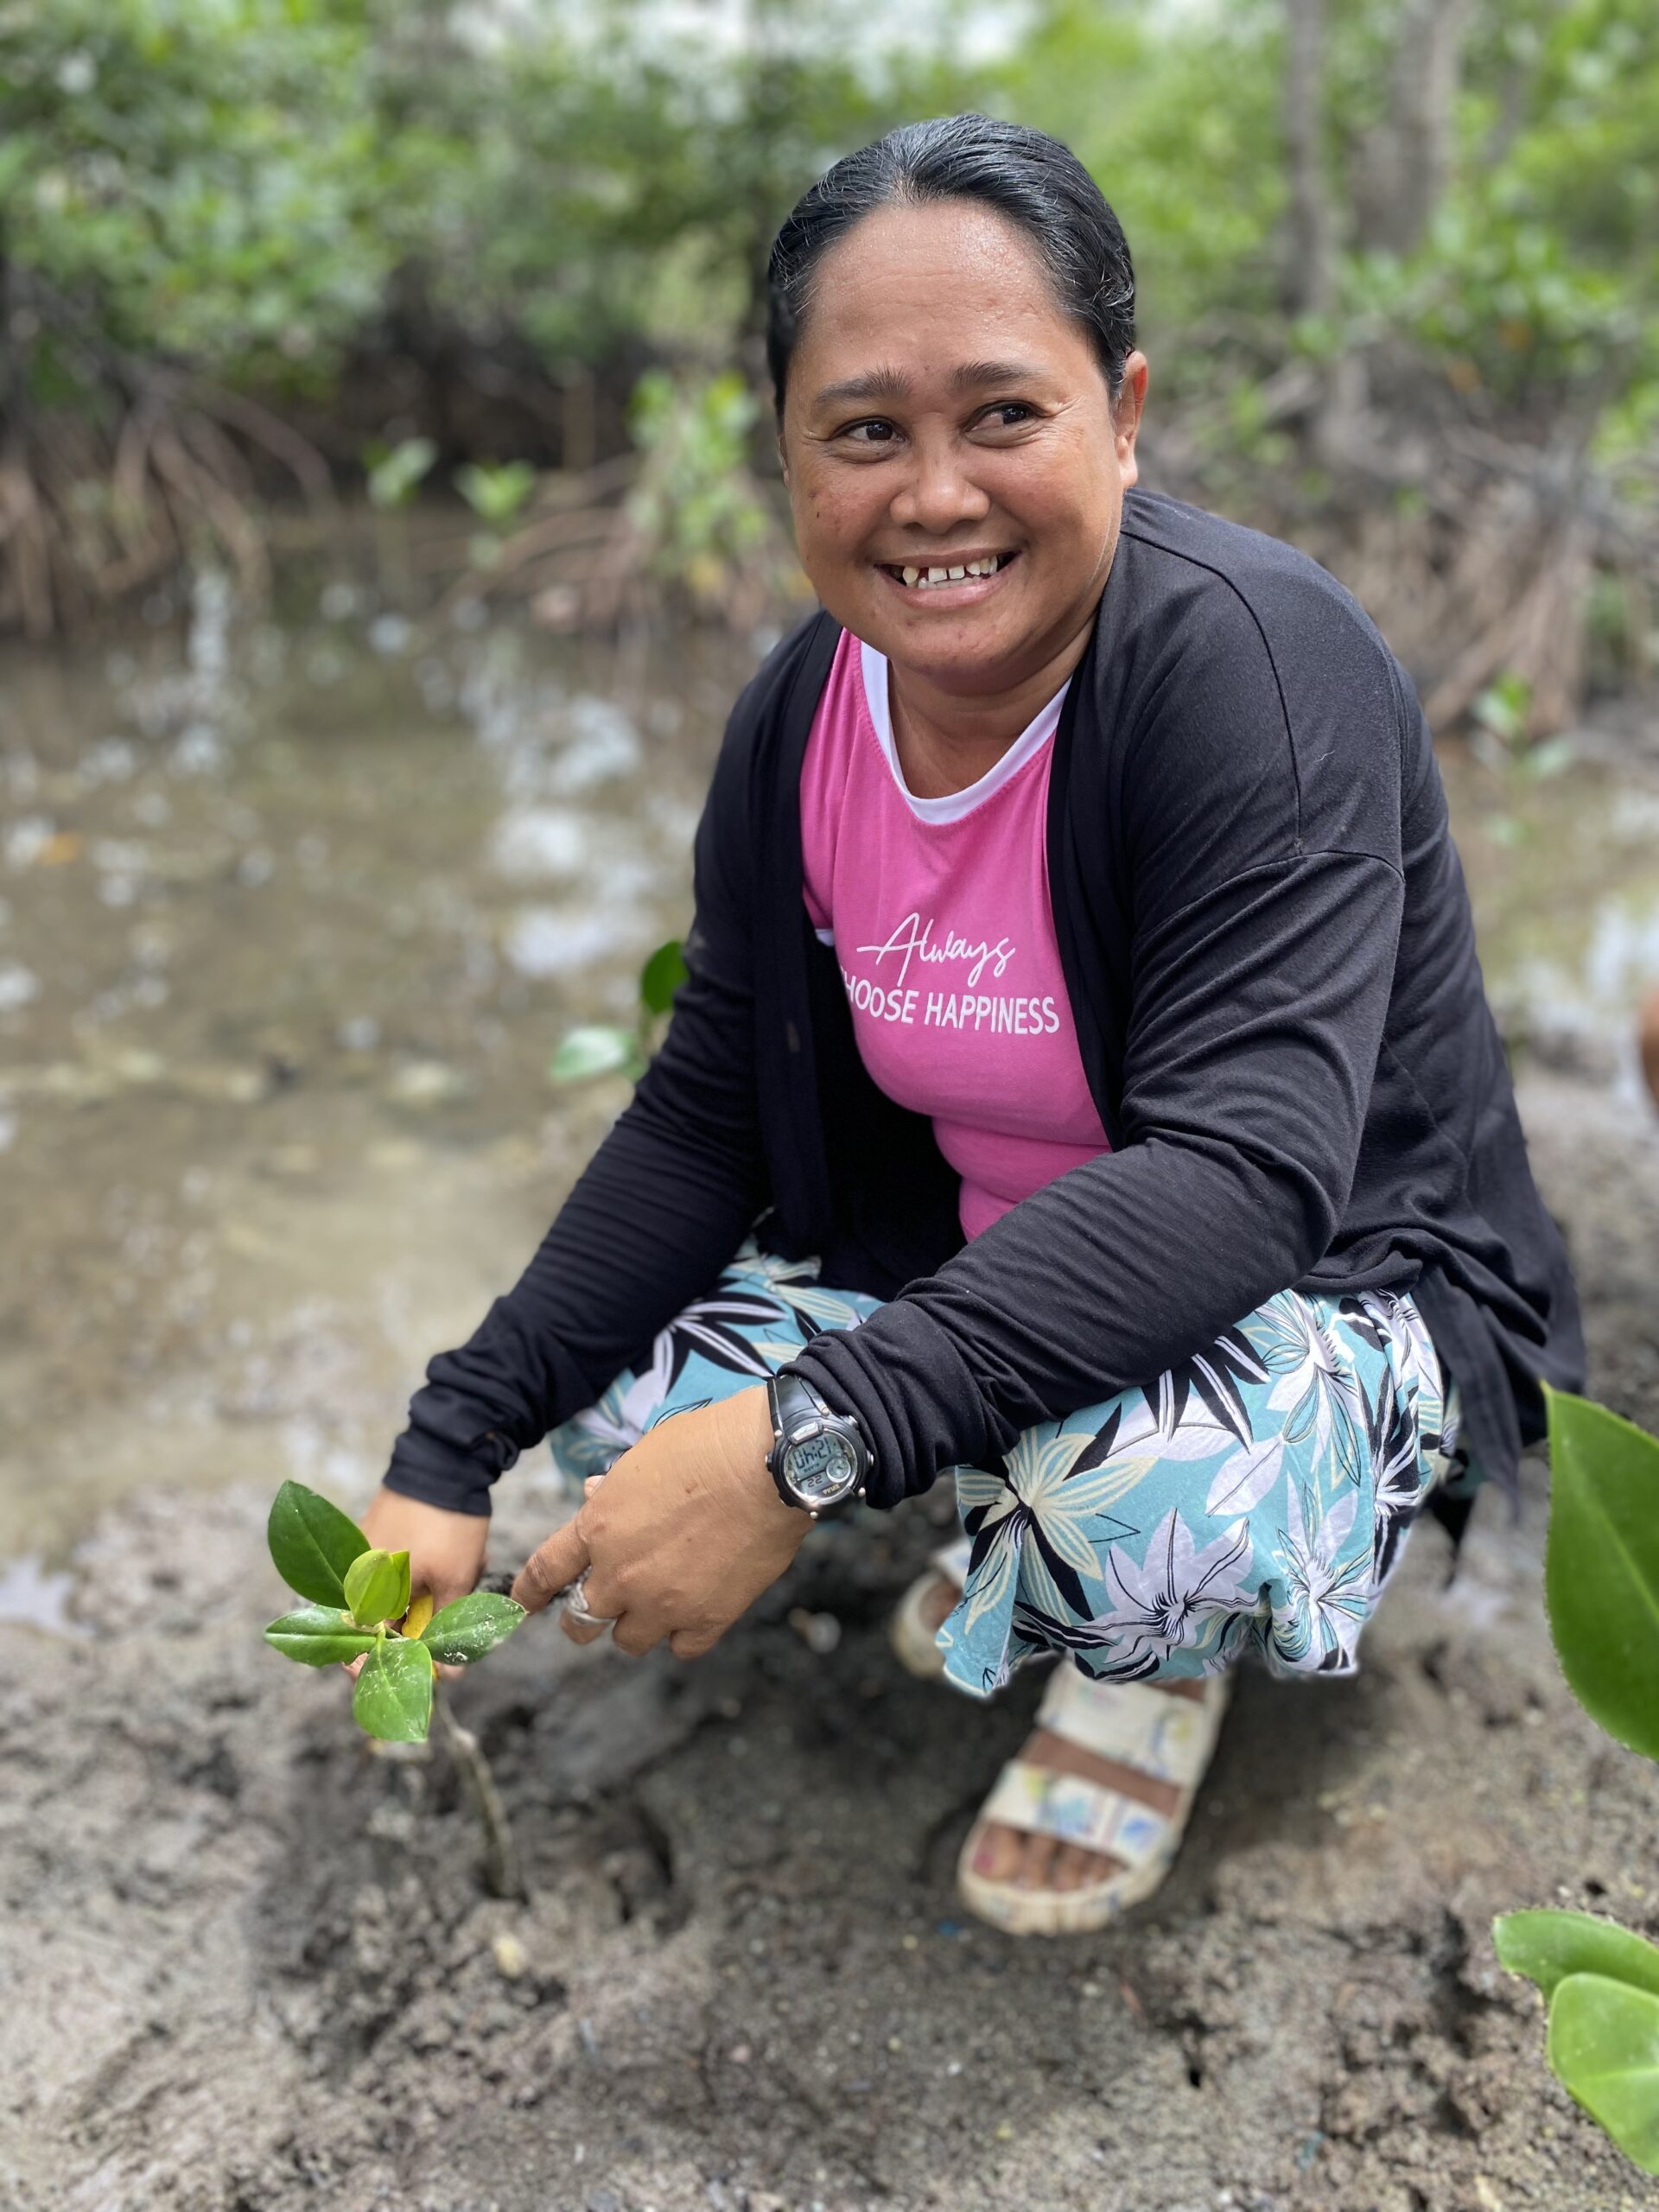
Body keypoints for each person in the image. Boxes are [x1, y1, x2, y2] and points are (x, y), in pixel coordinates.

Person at [359, 116, 1582, 1936]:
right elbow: (704, 1115)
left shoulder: (1254, 669)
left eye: (1003, 414)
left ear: (1125, 407)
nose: (935, 495)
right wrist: (441, 1449)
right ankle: (1003, 1520)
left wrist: (809, 1440)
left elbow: (1247, 1172)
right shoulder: (803, 721)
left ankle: (1147, 1656)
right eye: (867, 431)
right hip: (987, 1263)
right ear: (785, 450)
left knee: (1130, 1485)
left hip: (1323, 1290)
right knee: (619, 1415)